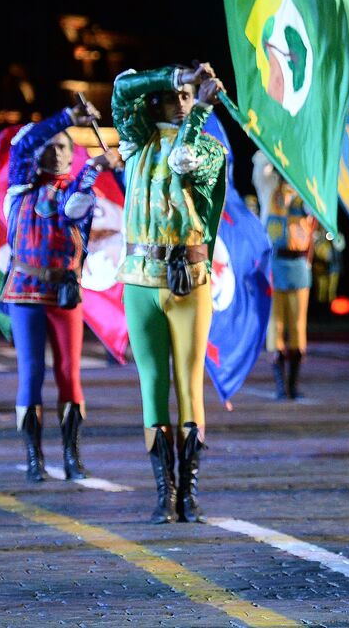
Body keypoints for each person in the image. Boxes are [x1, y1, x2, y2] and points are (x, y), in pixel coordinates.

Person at [112, 63, 227, 524]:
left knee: (189, 385)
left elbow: (183, 161)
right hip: (140, 279)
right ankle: (165, 492)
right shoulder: (136, 140)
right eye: (175, 94)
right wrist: (176, 75)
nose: (181, 101)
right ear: (158, 99)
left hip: (189, 279)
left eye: (188, 95)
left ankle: (188, 494)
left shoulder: (211, 149)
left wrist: (199, 112)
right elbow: (122, 88)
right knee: (153, 385)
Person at [3, 98, 117, 483]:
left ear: (73, 154)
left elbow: (71, 210)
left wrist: (93, 170)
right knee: (31, 372)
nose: (55, 152)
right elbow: (23, 144)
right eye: (49, 146)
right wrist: (66, 118)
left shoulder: (80, 191)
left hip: (64, 293)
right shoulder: (19, 185)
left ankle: (72, 455)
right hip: (25, 291)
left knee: (69, 373)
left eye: (64, 146)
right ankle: (34, 457)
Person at [254, 153, 318, 400]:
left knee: (298, 326)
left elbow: (316, 206)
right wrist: (276, 148)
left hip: (298, 263)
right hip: (274, 263)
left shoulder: (305, 189)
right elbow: (260, 166)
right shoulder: (269, 186)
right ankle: (281, 386)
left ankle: (293, 384)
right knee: (275, 325)